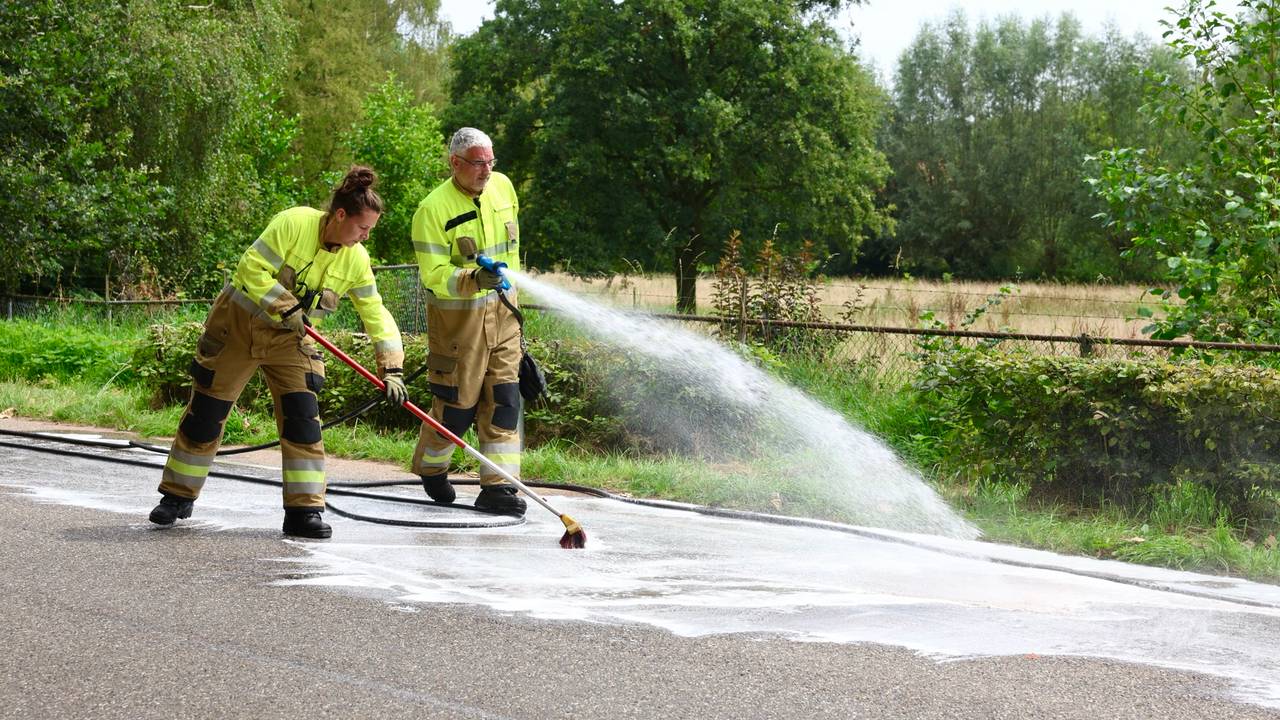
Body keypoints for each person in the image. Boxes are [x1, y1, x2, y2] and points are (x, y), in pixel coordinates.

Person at [148, 166, 407, 538]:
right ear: (340, 215)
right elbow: (250, 268)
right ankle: (176, 496)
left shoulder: (357, 260)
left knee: (303, 417)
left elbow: (376, 314)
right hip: (239, 325)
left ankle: (305, 512)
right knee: (207, 412)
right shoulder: (293, 224)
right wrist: (285, 304)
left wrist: (392, 367)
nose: (365, 236)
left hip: (290, 340)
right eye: (362, 228)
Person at [410, 127, 526, 516]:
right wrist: (473, 279)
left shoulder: (504, 188)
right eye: (478, 163)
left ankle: (499, 488)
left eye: (491, 161)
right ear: (455, 163)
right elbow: (432, 274)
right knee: (457, 407)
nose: (487, 171)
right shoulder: (432, 209)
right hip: (459, 325)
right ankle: (431, 466)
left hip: (505, 315)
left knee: (505, 402)